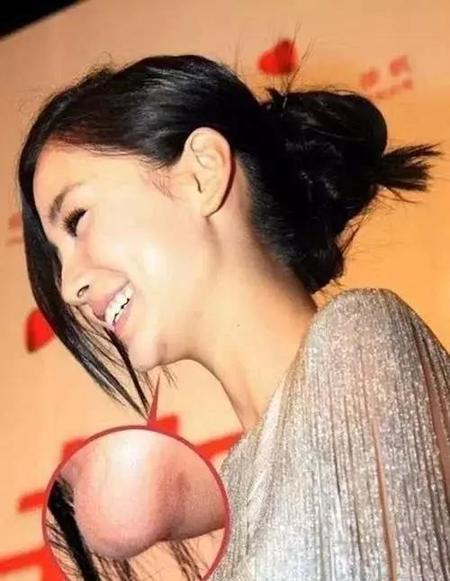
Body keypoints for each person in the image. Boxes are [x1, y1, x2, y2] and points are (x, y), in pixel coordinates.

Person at [17, 53, 449, 580]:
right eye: (58, 256)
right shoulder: (241, 495)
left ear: (203, 173)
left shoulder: (356, 339)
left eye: (78, 219)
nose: (69, 287)